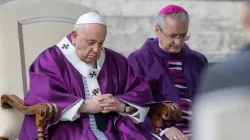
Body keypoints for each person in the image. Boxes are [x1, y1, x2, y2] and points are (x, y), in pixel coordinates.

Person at [19, 11, 163, 140]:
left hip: (114, 129)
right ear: (74, 36)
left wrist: (121, 105)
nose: (96, 50)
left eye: (101, 44)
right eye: (91, 42)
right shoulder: (50, 60)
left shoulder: (116, 61)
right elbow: (42, 95)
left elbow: (141, 91)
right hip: (70, 130)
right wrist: (84, 106)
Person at [128, 4, 208, 140]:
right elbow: (132, 105)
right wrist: (164, 128)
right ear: (157, 30)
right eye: (172, 36)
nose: (178, 42)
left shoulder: (198, 60)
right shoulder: (138, 60)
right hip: (157, 131)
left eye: (183, 36)